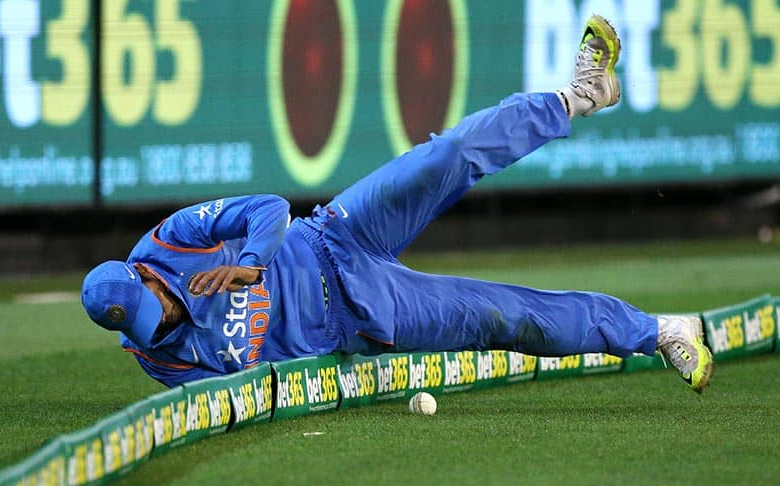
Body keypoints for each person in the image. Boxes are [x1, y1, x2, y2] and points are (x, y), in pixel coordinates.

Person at [81, 15, 713, 393]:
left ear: (143, 276)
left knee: (446, 155)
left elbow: (268, 206)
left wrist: (252, 261)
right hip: (360, 318)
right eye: (143, 325)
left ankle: (578, 94)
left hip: (334, 236)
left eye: (152, 306)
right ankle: (659, 331)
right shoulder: (160, 358)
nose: (159, 322)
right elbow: (243, 394)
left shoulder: (168, 242)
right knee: (505, 317)